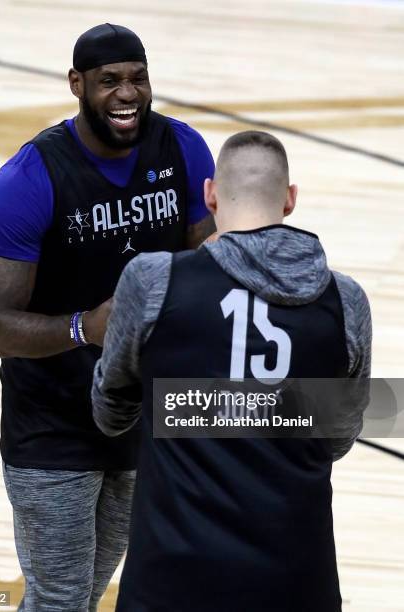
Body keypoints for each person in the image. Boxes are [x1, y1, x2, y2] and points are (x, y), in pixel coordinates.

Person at [0, 23, 215, 612]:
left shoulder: (182, 149)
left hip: (140, 415)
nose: (127, 94)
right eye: (109, 81)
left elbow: (208, 271)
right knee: (60, 597)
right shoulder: (30, 177)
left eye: (138, 78)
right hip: (52, 424)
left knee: (89, 588)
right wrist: (88, 326)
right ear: (77, 84)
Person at [92, 130, 372, 611]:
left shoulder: (154, 279)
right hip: (295, 582)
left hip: (170, 581)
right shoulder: (345, 301)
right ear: (290, 201)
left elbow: (110, 411)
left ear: (210, 194)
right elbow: (341, 436)